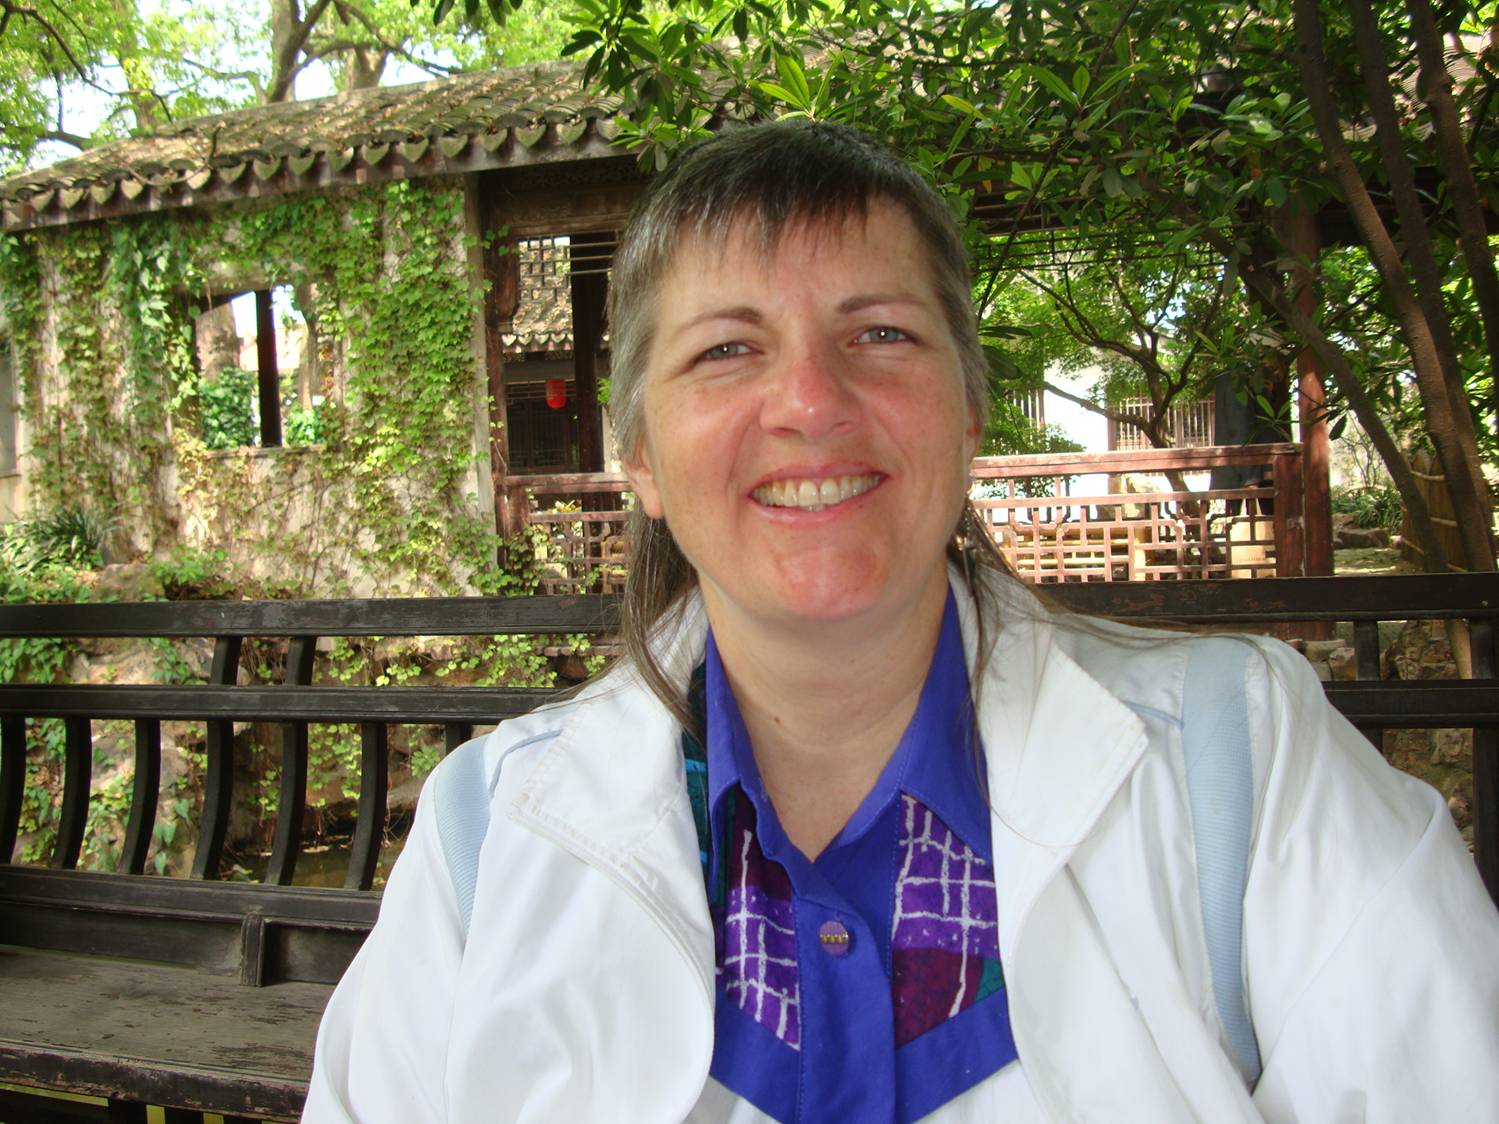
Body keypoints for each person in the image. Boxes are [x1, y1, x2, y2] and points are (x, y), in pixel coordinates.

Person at [303, 120, 1499, 1123]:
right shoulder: (485, 843)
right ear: (641, 460)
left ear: (968, 411)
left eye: (879, 334)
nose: (811, 402)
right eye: (726, 349)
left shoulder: (1244, 766)